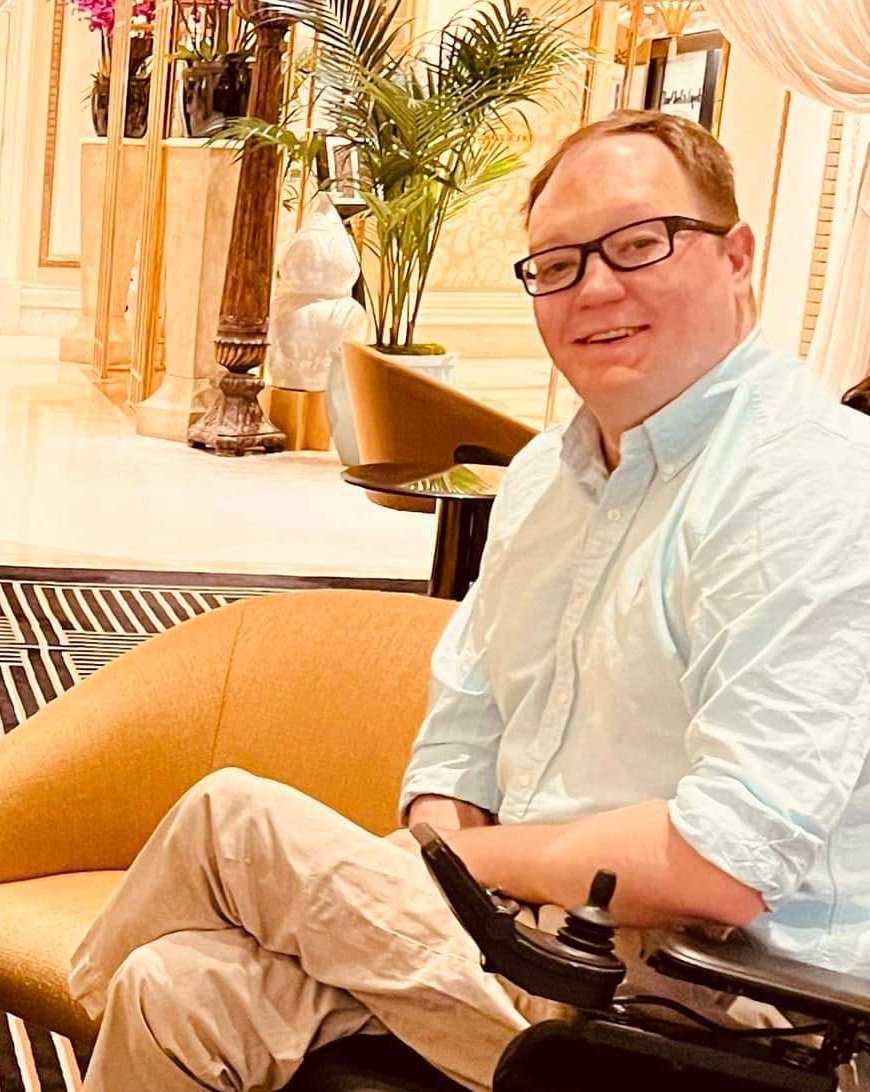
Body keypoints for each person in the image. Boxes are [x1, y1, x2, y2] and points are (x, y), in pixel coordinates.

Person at [69, 111, 870, 1092]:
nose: (595, 288)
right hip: (514, 935)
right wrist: (456, 861)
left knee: (230, 819)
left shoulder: (814, 484)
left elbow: (720, 864)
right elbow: (461, 735)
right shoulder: (542, 481)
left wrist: (477, 864)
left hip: (722, 1005)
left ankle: (37, 1016)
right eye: (558, 264)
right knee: (171, 991)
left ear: (735, 256)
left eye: (637, 244)